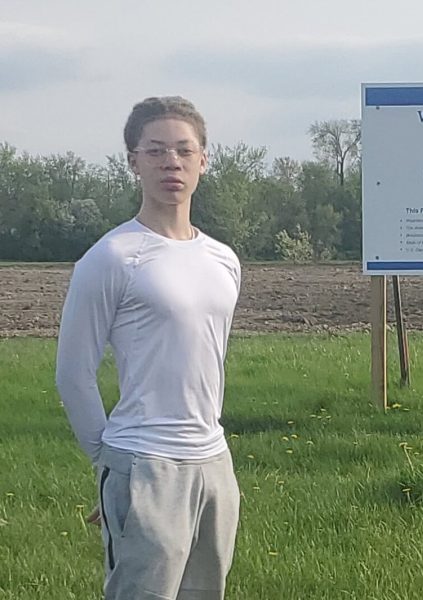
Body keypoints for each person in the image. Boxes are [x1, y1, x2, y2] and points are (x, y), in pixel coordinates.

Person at [56, 96, 241, 600]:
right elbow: (73, 374)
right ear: (133, 161)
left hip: (214, 463)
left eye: (184, 150)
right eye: (155, 150)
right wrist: (109, 467)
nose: (171, 162)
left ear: (203, 159)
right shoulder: (112, 257)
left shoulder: (223, 259)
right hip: (143, 462)